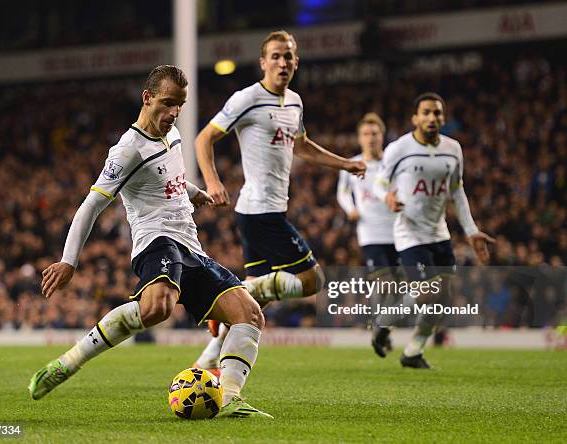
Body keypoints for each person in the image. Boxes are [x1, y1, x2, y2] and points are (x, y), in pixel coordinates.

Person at [28, 65, 272, 418]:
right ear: (147, 98)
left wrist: (195, 193)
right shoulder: (127, 150)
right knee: (158, 306)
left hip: (190, 245)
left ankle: (231, 398)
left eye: (180, 105)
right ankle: (69, 362)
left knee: (250, 314)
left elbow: (169, 180)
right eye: (168, 103)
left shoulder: (171, 136)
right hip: (156, 241)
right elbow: (91, 205)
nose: (174, 113)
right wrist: (69, 261)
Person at [192, 30, 367, 373]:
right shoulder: (248, 98)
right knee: (313, 280)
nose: (282, 62)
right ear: (263, 62)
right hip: (260, 212)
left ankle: (207, 362)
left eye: (288, 56)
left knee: (257, 305)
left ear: (296, 62)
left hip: (266, 210)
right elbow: (204, 139)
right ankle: (233, 294)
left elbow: (302, 145)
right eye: (275, 56)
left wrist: (345, 163)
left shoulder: (295, 102)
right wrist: (212, 181)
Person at [374, 92, 495, 368]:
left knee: (442, 298)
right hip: (410, 233)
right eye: (426, 112)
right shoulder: (399, 148)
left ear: (443, 117)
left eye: (437, 113)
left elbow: (457, 191)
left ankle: (413, 352)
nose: (432, 117)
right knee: (428, 291)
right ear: (415, 118)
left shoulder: (453, 149)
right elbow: (379, 182)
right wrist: (387, 197)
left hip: (439, 234)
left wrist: (471, 230)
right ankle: (384, 322)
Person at [336, 112, 398, 358]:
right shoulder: (352, 164)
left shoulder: (391, 165)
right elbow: (342, 193)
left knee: (397, 289)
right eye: (366, 134)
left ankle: (383, 327)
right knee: (384, 283)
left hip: (398, 232)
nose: (370, 138)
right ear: (359, 138)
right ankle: (379, 325)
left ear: (382, 136)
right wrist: (351, 209)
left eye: (375, 133)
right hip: (370, 233)